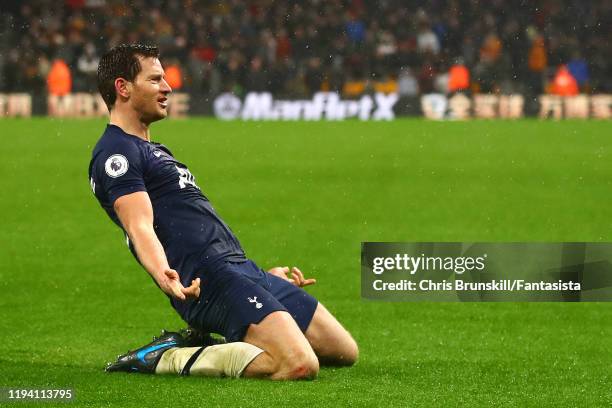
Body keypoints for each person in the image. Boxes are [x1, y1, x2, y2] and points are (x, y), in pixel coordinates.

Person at [88, 44, 358, 380]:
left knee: (342, 350)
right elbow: (139, 224)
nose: (168, 87)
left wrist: (262, 277)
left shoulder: (153, 149)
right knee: (298, 364)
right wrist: (163, 272)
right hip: (207, 280)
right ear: (123, 87)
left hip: (240, 269)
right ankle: (167, 357)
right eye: (156, 80)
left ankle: (250, 322)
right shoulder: (117, 153)